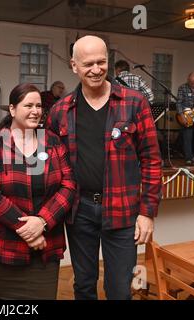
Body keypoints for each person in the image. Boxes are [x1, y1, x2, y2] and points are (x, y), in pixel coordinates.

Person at [46, 35, 162, 300]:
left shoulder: (135, 103)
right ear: (73, 65)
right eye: (88, 64)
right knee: (84, 285)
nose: (96, 69)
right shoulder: (60, 111)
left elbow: (152, 160)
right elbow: (52, 165)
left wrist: (147, 213)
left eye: (101, 62)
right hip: (79, 210)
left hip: (123, 210)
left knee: (120, 289)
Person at [0, 83, 76, 300]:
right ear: (12, 109)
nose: (35, 111)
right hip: (4, 250)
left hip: (44, 250)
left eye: (39, 106)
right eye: (28, 105)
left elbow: (68, 185)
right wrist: (28, 230)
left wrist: (42, 222)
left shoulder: (51, 141)